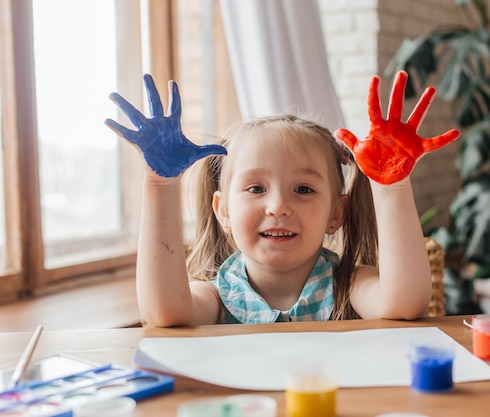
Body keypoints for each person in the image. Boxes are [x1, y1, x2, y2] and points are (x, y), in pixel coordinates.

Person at [105, 70, 459, 326]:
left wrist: (391, 187)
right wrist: (160, 186)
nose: (278, 206)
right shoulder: (214, 296)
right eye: (256, 188)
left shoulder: (348, 285)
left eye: (303, 189)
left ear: (337, 212)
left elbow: (404, 303)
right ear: (223, 212)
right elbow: (163, 314)